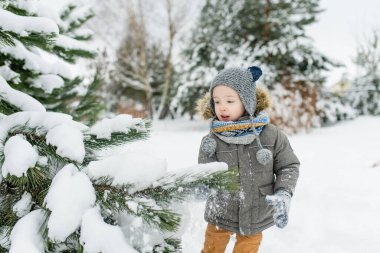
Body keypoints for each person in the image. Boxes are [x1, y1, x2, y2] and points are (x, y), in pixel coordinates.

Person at [197, 66, 300, 253]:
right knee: (212, 247)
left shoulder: (271, 136)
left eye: (230, 100)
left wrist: (283, 193)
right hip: (220, 209)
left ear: (247, 101)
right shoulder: (211, 140)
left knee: (247, 248)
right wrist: (201, 186)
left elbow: (288, 165)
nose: (222, 107)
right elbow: (205, 173)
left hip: (255, 209)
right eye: (217, 101)